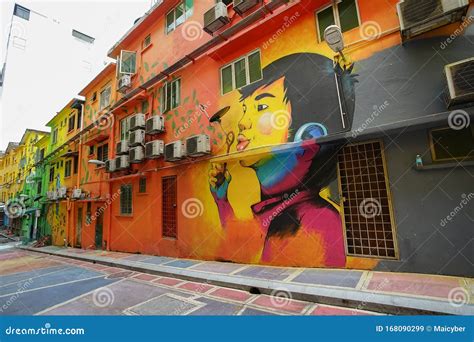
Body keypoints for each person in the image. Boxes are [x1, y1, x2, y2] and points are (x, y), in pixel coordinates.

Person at [209, 53, 356, 267]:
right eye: (244, 110)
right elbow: (238, 253)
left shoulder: (317, 222)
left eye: (260, 107)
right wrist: (222, 201)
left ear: (308, 138)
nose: (242, 123)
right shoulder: (274, 210)